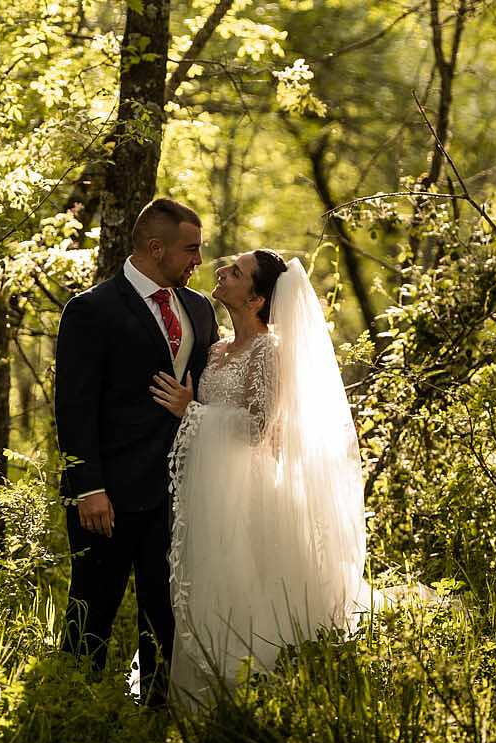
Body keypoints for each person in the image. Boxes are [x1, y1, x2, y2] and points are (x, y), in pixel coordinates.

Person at [147, 250, 367, 711]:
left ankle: (251, 700)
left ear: (256, 299)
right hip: (209, 492)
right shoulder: (216, 349)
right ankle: (187, 699)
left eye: (236, 272)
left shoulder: (270, 350)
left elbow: (259, 427)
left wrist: (193, 411)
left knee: (244, 589)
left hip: (250, 495)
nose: (221, 272)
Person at [53, 197, 220, 707]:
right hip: (108, 497)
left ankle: (156, 717)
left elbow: (211, 391)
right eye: (190, 249)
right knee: (93, 612)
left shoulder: (198, 309)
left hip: (177, 494)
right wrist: (89, 488)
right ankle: (73, 717)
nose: (198, 260)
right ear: (156, 247)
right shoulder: (91, 309)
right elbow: (73, 407)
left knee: (165, 617)